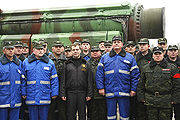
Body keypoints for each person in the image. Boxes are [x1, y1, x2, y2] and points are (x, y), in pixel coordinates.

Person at [96, 35, 140, 120]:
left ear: (122, 44)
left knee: (125, 115)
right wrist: (101, 88)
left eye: (118, 42)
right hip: (110, 90)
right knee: (111, 115)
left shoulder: (129, 57)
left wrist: (133, 89)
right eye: (114, 42)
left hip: (124, 91)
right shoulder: (105, 57)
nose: (116, 44)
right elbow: (99, 74)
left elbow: (135, 75)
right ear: (112, 44)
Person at [137, 46, 179, 120]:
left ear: (163, 54)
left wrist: (175, 99)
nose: (158, 55)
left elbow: (177, 85)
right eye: (155, 54)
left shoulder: (172, 68)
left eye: (159, 54)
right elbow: (141, 84)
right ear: (152, 55)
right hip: (150, 100)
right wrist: (141, 97)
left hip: (166, 101)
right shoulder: (146, 68)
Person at [22, 41, 59, 120]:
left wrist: (54, 93)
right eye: (38, 49)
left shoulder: (50, 63)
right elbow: (23, 80)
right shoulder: (26, 62)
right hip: (31, 96)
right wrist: (23, 92)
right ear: (33, 50)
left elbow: (54, 80)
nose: (40, 51)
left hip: (44, 96)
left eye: (42, 49)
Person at [60, 43, 93, 120]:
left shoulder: (86, 63)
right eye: (73, 50)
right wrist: (62, 93)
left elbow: (89, 80)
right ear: (71, 51)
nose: (75, 51)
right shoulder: (66, 64)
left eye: (77, 49)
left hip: (82, 93)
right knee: (71, 114)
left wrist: (89, 94)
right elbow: (63, 80)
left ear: (80, 50)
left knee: (82, 114)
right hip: (70, 93)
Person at [0, 41, 25, 120]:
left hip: (16, 98)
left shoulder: (19, 63)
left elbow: (23, 79)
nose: (11, 51)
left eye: (12, 49)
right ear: (4, 51)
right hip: (2, 99)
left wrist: (23, 92)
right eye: (8, 49)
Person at [48, 41, 67, 120]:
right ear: (52, 49)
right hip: (50, 89)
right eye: (56, 47)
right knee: (50, 112)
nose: (58, 48)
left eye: (60, 47)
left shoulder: (66, 61)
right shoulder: (48, 60)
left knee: (63, 112)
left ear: (63, 49)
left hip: (62, 90)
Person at [135, 38, 152, 120]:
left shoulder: (153, 57)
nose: (141, 46)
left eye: (144, 45)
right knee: (140, 112)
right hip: (139, 87)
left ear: (148, 46)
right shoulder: (135, 58)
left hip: (150, 88)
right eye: (140, 45)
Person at [88, 46, 107, 120]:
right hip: (91, 93)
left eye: (96, 51)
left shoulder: (104, 62)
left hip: (102, 93)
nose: (95, 52)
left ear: (100, 52)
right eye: (93, 51)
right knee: (93, 114)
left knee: (103, 113)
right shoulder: (87, 63)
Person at [166, 45, 180, 120]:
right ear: (167, 52)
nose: (173, 52)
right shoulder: (164, 63)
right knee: (167, 116)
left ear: (177, 52)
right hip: (167, 94)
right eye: (171, 50)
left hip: (179, 93)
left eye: (175, 50)